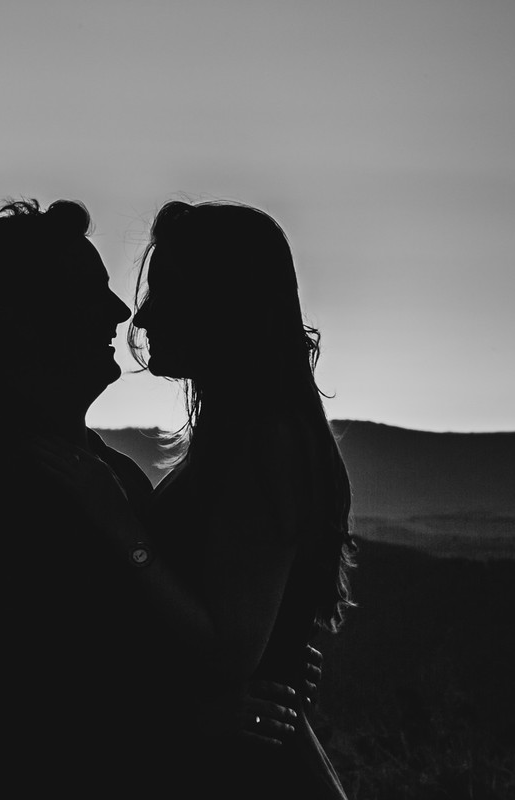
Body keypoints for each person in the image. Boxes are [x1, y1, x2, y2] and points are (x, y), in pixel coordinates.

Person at [0, 199, 305, 800]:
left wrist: (275, 651)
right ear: (26, 322)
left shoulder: (105, 473)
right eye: (90, 291)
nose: (120, 312)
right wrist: (191, 720)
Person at [129, 200, 358, 798]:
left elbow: (231, 654)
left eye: (166, 291)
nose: (144, 314)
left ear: (221, 305)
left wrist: (123, 542)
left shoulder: (267, 446)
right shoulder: (244, 439)